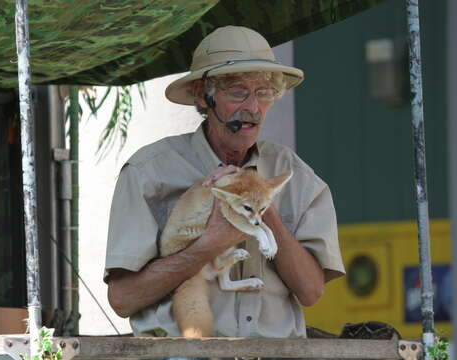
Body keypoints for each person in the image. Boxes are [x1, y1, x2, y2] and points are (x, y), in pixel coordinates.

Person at [104, 25, 345, 339]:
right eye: (237, 92)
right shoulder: (149, 171)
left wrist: (261, 202)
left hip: (274, 354)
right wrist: (209, 244)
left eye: (264, 93)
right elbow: (123, 299)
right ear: (202, 96)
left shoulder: (294, 174)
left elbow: (311, 292)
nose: (253, 107)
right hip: (180, 356)